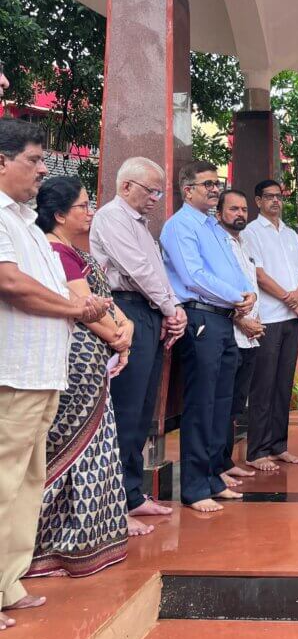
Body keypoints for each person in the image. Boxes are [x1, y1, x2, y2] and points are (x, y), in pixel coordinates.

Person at [0, 120, 110, 632]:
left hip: (44, 372)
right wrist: (77, 312)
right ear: (2, 160)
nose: (44, 170)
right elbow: (12, 285)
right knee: (3, 481)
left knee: (27, 481)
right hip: (14, 371)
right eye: (33, 160)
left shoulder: (26, 222)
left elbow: (57, 289)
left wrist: (88, 307)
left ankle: (9, 581)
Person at [29, 178, 133, 577]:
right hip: (78, 361)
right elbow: (83, 306)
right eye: (83, 206)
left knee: (97, 444)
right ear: (58, 215)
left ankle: (88, 539)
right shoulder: (56, 251)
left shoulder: (74, 250)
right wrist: (118, 337)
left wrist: (127, 333)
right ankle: (54, 545)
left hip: (97, 362)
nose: (91, 212)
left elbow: (112, 308)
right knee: (72, 448)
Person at [90, 157, 186, 535]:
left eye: (160, 192)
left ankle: (133, 494)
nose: (156, 199)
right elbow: (137, 271)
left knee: (143, 410)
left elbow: (157, 272)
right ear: (126, 186)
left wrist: (170, 310)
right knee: (125, 411)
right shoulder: (111, 218)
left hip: (148, 312)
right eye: (152, 191)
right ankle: (113, 505)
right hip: (124, 308)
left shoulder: (143, 227)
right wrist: (171, 306)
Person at [160, 161, 256, 512]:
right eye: (208, 184)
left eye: (218, 183)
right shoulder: (180, 226)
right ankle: (195, 487)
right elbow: (194, 275)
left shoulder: (214, 228)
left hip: (225, 319)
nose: (215, 189)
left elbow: (232, 270)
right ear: (188, 190)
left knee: (221, 403)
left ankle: (214, 475)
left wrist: (247, 294)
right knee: (201, 405)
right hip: (200, 317)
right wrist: (236, 296)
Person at [243, 179, 298, 469]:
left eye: (279, 197)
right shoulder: (250, 232)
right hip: (268, 319)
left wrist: (296, 298)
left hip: (290, 320)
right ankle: (257, 451)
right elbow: (258, 274)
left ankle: (278, 445)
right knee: (263, 385)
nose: (275, 201)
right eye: (268, 197)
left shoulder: (291, 234)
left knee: (283, 383)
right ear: (258, 201)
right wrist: (288, 298)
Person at [215, 189, 267, 477]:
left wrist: (254, 322)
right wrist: (240, 320)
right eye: (233, 209)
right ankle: (217, 465)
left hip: (250, 338)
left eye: (244, 209)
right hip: (231, 332)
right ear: (220, 212)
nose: (240, 214)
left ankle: (226, 462)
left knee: (235, 404)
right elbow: (220, 290)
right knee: (221, 403)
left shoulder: (245, 243)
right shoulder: (219, 244)